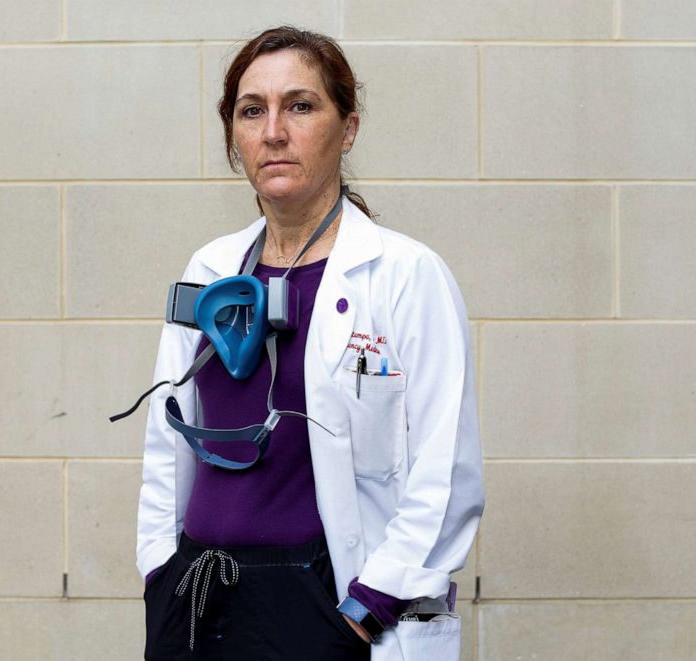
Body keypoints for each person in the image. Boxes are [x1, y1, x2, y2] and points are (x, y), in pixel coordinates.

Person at [130, 25, 484, 661]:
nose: (273, 131)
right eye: (251, 110)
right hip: (198, 601)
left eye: (300, 105)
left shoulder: (405, 276)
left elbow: (447, 469)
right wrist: (161, 574)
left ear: (347, 128)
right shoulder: (210, 270)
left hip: (330, 608)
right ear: (234, 139)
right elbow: (167, 439)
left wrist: (367, 608)